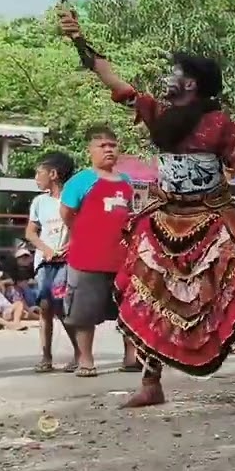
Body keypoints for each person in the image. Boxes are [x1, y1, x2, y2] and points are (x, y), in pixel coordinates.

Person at [58, 11, 235, 408]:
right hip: (163, 224)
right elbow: (113, 79)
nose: (167, 78)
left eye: (175, 73)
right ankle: (150, 384)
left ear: (191, 83)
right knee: (148, 300)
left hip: (216, 223)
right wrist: (79, 40)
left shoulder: (222, 124)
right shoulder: (158, 114)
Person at [59, 126, 137, 377]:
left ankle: (131, 357)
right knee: (84, 314)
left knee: (129, 311)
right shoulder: (81, 181)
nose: (108, 150)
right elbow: (66, 214)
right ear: (90, 150)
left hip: (123, 260)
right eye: (102, 146)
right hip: (86, 259)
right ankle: (86, 360)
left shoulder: (126, 182)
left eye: (112, 145)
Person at [26, 151, 75, 372]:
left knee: (63, 304)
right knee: (45, 305)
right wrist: (45, 250)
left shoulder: (72, 198)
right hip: (45, 261)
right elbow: (31, 232)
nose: (36, 177)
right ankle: (46, 356)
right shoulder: (39, 202)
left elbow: (80, 228)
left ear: (53, 174)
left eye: (39, 172)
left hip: (67, 260)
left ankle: (80, 352)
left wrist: (69, 247)